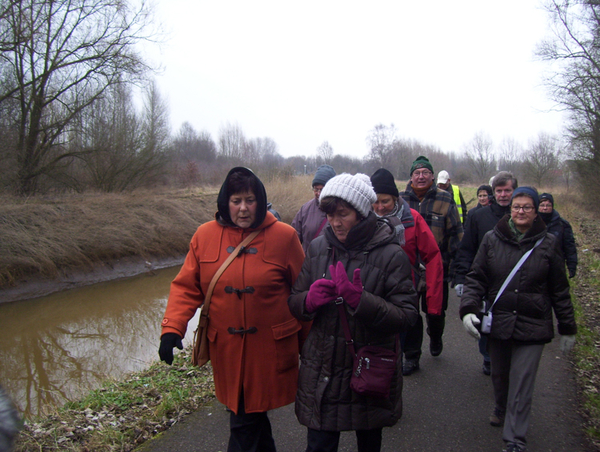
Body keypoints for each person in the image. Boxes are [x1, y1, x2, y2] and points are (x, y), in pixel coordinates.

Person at [159, 167, 308, 452]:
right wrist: (172, 328)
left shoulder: (285, 237)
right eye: (236, 200)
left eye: (250, 200)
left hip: (270, 351)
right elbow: (186, 287)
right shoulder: (204, 236)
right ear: (225, 202)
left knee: (244, 422)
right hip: (227, 351)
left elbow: (302, 294)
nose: (243, 208)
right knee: (250, 417)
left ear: (261, 201)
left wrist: (311, 347)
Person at [288, 173, 419, 452]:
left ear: (360, 212)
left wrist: (361, 301)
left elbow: (407, 315)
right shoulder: (318, 247)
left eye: (343, 214)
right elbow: (294, 301)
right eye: (330, 215)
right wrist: (308, 301)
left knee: (369, 443)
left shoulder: (391, 254)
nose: (335, 222)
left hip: (368, 367)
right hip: (324, 369)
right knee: (319, 445)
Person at [459, 186, 577, 452]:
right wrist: (468, 309)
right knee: (500, 376)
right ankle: (501, 405)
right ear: (509, 209)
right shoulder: (491, 239)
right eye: (516, 206)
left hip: (533, 323)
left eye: (527, 207)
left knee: (522, 381)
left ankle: (515, 439)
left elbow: (559, 290)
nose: (521, 211)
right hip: (500, 321)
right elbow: (476, 278)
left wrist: (567, 327)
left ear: (536, 212)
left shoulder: (549, 243)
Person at [370, 168, 444, 376]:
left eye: (385, 201)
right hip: (376, 285)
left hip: (406, 285)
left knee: (409, 322)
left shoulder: (412, 218)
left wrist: (433, 301)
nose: (380, 207)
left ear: (395, 198)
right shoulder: (364, 219)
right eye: (375, 201)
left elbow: (433, 257)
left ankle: (411, 356)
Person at [453, 171, 517, 375]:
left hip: (516, 282)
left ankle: (509, 357)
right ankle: (488, 357)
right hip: (486, 281)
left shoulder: (525, 217)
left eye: (508, 190)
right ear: (493, 193)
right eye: (499, 191)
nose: (504, 195)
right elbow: (467, 249)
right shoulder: (478, 216)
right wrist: (461, 278)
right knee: (485, 323)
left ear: (515, 191)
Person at [399, 156, 463, 360]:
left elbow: (456, 234)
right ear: (410, 177)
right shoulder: (400, 200)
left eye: (425, 173)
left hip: (437, 267)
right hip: (407, 269)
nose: (420, 177)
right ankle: (412, 355)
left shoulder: (445, 199)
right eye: (416, 173)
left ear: (432, 176)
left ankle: (435, 336)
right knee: (411, 313)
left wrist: (456, 268)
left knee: (435, 312)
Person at [292, 164, 337, 253]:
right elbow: (293, 238)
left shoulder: (340, 209)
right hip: (309, 263)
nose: (319, 193)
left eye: (322, 189)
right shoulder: (305, 209)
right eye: (316, 189)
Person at [539, 193, 578, 278]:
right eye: (542, 205)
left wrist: (572, 265)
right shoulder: (531, 223)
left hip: (556, 264)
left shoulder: (563, 225)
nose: (545, 208)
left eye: (548, 205)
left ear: (552, 206)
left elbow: (569, 246)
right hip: (536, 264)